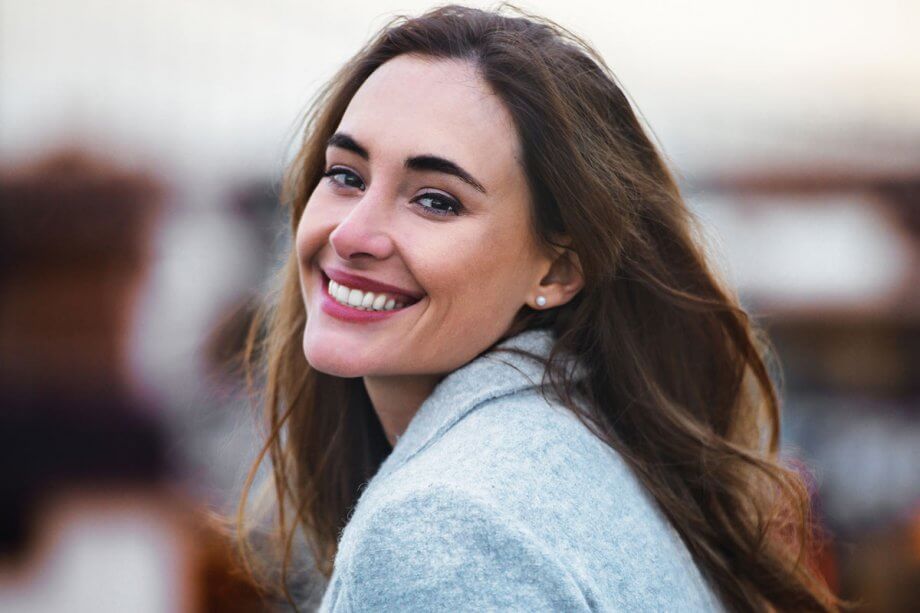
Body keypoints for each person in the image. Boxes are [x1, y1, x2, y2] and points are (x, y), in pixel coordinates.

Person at [235, 4, 839, 611]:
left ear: (558, 269)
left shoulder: (446, 531)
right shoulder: (593, 455)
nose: (351, 234)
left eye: (436, 201)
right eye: (345, 175)